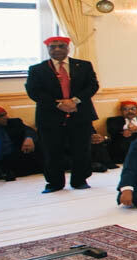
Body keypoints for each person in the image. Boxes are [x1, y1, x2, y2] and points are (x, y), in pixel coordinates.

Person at [25, 36, 99, 193]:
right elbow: (34, 91)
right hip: (50, 116)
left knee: (81, 149)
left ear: (68, 48)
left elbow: (93, 86)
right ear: (48, 49)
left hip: (79, 114)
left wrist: (75, 101)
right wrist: (58, 104)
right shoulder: (37, 69)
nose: (57, 49)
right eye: (53, 47)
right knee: (52, 150)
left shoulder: (84, 66)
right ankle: (54, 183)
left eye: (60, 46)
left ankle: (80, 180)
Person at [0, 105, 39, 182]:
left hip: (15, 156)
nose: (6, 117)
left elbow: (28, 130)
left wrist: (29, 138)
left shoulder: (14, 123)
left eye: (5, 114)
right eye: (1, 116)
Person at [105, 100, 137, 165]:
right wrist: (123, 132)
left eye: (133, 109)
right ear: (121, 111)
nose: (130, 111)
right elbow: (111, 131)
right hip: (123, 144)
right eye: (126, 109)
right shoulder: (112, 120)